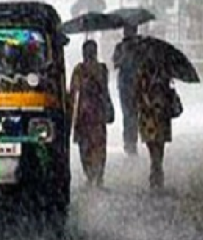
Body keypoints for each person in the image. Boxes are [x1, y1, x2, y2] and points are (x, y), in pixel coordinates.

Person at [69, 39, 113, 188]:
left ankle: (90, 175)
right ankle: (98, 176)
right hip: (98, 113)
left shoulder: (79, 70)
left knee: (85, 146)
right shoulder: (102, 69)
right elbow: (105, 91)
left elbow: (72, 93)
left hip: (84, 114)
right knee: (99, 145)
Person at [134, 57, 173, 191]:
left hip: (149, 116)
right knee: (158, 145)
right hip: (159, 115)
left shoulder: (142, 74)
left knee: (154, 145)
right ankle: (157, 170)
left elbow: (136, 94)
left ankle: (155, 170)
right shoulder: (164, 74)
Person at [113, 24, 140, 155]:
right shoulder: (120, 47)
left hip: (136, 84)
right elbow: (115, 63)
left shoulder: (139, 48)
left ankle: (132, 141)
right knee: (127, 114)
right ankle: (128, 142)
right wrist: (123, 56)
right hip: (125, 85)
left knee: (134, 114)